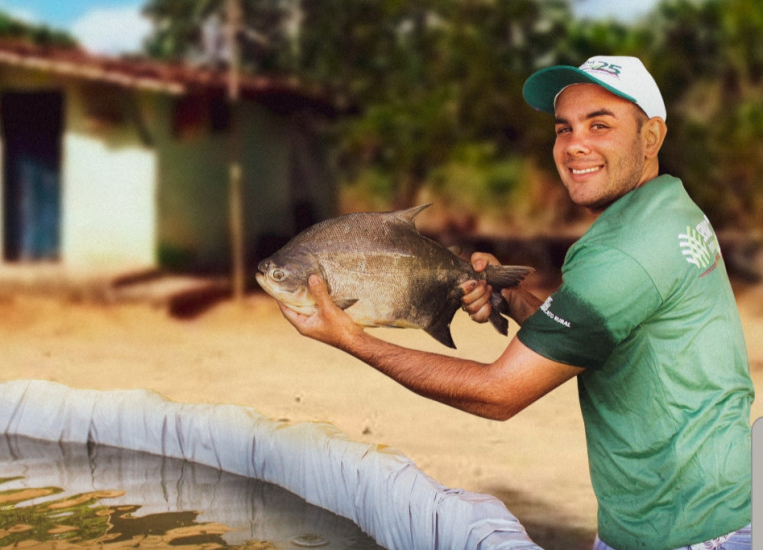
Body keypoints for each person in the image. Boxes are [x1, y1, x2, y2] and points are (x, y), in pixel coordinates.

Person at [274, 55, 754, 550]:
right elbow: (601, 331)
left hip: (690, 535)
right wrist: (512, 298)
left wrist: (351, 337)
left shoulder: (626, 254)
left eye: (600, 125)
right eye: (563, 128)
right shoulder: (670, 210)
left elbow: (499, 394)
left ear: (651, 137)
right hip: (717, 507)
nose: (575, 145)